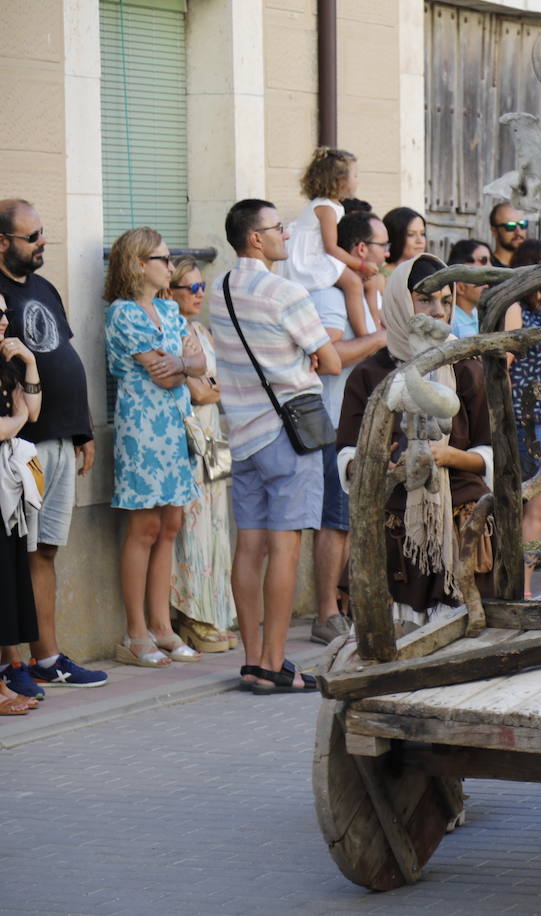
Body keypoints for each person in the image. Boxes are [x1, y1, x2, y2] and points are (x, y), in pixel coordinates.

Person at [209, 198, 341, 694]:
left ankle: (250, 661)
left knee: (249, 547)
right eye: (278, 228)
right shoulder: (285, 291)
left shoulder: (219, 289)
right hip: (290, 434)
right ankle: (275, 663)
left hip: (242, 436)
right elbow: (329, 361)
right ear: (255, 238)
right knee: (285, 549)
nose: (287, 235)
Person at [337, 254, 494, 631]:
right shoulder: (369, 373)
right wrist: (377, 465)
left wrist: (451, 456)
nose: (437, 312)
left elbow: (493, 452)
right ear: (399, 302)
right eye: (425, 300)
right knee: (394, 641)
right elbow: (346, 454)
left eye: (445, 300)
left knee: (464, 644)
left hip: (462, 528)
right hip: (393, 529)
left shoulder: (467, 366)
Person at [0, 200, 106, 696]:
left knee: (45, 552)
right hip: (22, 446)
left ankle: (47, 656)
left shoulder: (42, 287)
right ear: (2, 242)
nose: (43, 242)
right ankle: (13, 662)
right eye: (32, 236)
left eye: (42, 233)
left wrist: (83, 427)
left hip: (61, 435)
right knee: (15, 556)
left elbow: (64, 352)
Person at [103, 228, 207, 667]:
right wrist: (186, 366)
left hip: (175, 429)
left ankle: (163, 627)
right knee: (144, 529)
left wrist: (183, 364)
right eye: (163, 259)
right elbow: (165, 375)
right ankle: (135, 632)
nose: (170, 265)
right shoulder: (123, 314)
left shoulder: (169, 307)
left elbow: (199, 363)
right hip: (143, 431)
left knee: (170, 527)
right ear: (138, 264)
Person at [308, 210, 389, 645]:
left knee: (356, 519)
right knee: (336, 520)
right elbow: (330, 355)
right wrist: (382, 337)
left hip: (362, 421)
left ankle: (347, 600)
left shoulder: (366, 290)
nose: (387, 254)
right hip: (334, 419)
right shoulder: (330, 296)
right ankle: (324, 613)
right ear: (361, 249)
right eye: (383, 246)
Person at [167, 257, 237, 653]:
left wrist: (211, 385)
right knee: (195, 523)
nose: (198, 295)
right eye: (189, 288)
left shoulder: (201, 330)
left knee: (218, 523)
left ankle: (216, 611)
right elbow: (197, 391)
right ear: (170, 292)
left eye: (201, 287)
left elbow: (219, 384)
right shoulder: (174, 331)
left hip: (216, 436)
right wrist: (210, 385)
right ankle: (192, 614)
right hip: (194, 434)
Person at [502, 239, 541, 596]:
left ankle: (521, 587)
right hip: (532, 419)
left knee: (540, 506)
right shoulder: (516, 308)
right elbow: (505, 361)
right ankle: (521, 588)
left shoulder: (540, 312)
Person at [282, 147, 379, 338]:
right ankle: (364, 335)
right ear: (340, 181)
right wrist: (360, 265)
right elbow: (331, 247)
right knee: (353, 284)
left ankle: (368, 327)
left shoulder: (332, 206)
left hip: (317, 255)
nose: (357, 180)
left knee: (358, 281)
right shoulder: (326, 208)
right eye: (355, 175)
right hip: (308, 260)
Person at [0, 290, 43, 713]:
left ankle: (5, 680)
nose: (2, 320)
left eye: (4, 313)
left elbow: (32, 411)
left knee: (8, 583)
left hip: (5, 495)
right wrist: (13, 422)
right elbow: (15, 422)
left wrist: (29, 362)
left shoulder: (6, 363)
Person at [447, 239, 493, 338]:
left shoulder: (474, 312)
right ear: (460, 287)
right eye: (483, 260)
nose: (490, 266)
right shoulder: (452, 321)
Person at [382, 206, 428, 276]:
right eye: (411, 234)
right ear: (395, 237)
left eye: (422, 234)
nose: (419, 241)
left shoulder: (429, 271)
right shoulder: (381, 277)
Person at [488, 202, 528, 268]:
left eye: (523, 224)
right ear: (494, 231)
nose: (518, 232)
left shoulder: (533, 264)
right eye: (510, 226)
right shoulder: (488, 267)